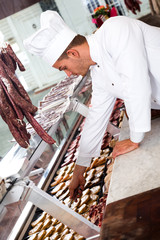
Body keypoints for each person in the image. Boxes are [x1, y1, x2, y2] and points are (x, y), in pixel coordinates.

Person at [24, 10, 160, 199]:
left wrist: (135, 139)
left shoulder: (115, 30)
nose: (68, 74)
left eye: (64, 67)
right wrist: (80, 168)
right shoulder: (98, 71)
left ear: (72, 53)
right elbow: (97, 115)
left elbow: (137, 83)